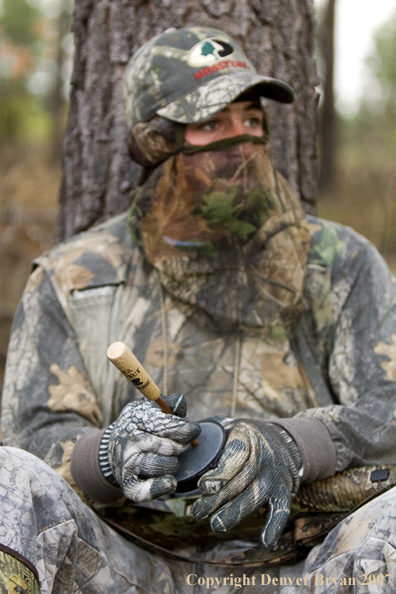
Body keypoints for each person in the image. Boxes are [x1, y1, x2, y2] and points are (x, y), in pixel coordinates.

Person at [2, 26, 396, 594]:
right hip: (127, 563)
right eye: (212, 124)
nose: (240, 145)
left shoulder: (340, 263)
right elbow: (28, 442)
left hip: (312, 564)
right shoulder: (75, 278)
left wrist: (291, 443)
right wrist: (111, 455)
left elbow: (388, 408)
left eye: (251, 121)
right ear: (155, 144)